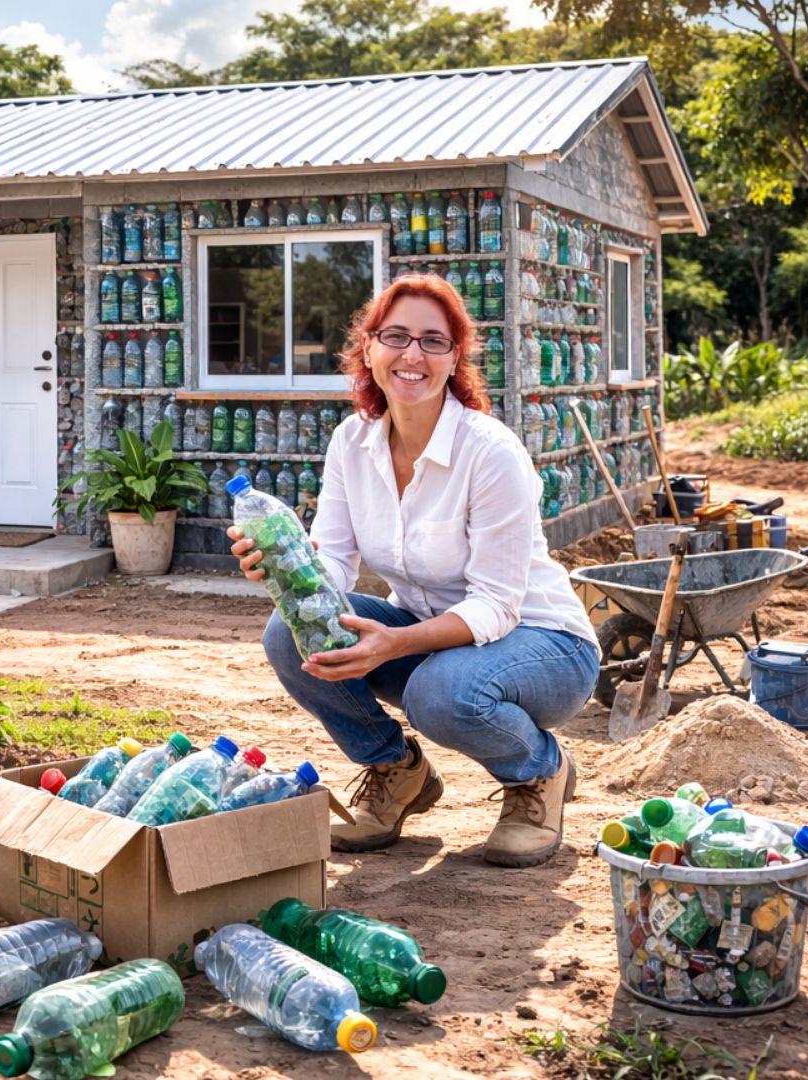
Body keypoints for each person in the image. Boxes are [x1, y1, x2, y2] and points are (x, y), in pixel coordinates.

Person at [227, 274, 598, 868]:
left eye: (433, 340)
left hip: (544, 647)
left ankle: (540, 771)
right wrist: (282, 567)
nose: (412, 354)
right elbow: (335, 563)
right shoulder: (353, 441)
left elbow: (498, 605)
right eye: (396, 336)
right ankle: (396, 770)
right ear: (369, 349)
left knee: (441, 692)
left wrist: (394, 643)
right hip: (436, 642)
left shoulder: (490, 452)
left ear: (455, 360)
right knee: (289, 632)